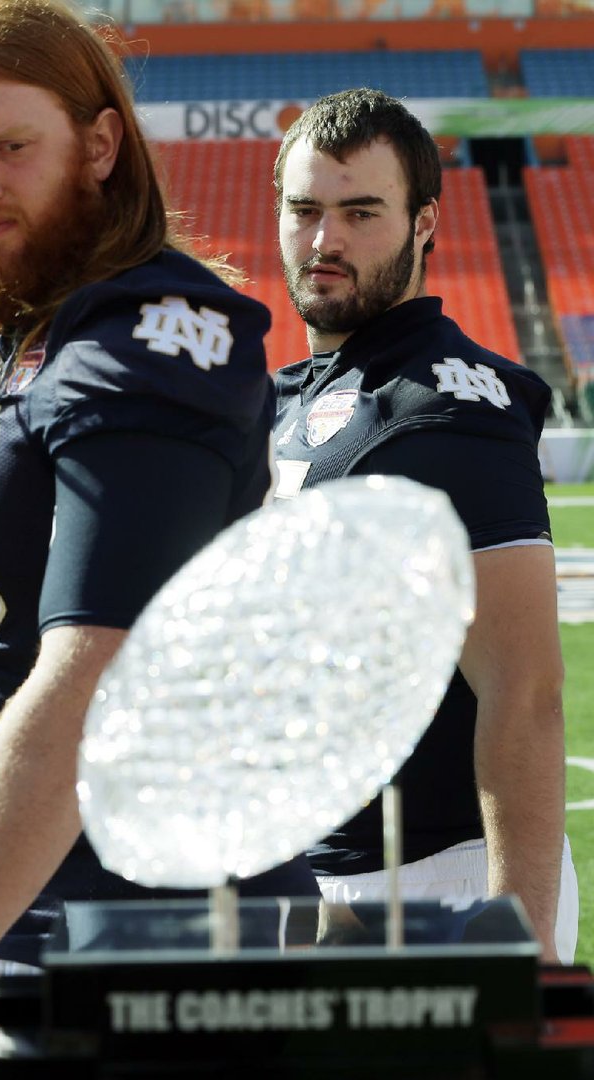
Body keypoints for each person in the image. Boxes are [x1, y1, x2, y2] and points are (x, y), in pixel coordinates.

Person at [0, 2, 320, 1077]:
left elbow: (92, 687)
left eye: (9, 147)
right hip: (70, 925)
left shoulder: (144, 344)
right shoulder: (49, 328)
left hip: (162, 951)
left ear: (99, 142)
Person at [271, 88, 578, 965]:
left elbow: (523, 690)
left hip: (437, 878)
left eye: (361, 212)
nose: (326, 241)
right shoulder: (302, 395)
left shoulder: (450, 405)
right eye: (306, 211)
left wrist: (523, 941)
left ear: (425, 222)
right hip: (321, 881)